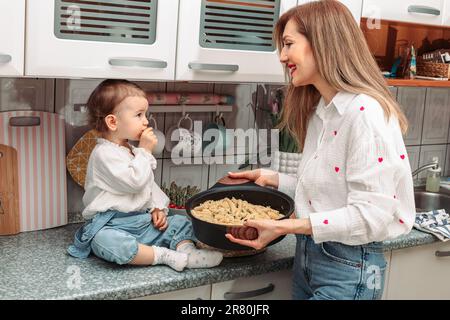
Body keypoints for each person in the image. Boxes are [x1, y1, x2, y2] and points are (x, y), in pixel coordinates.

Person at [226, 0, 415, 300]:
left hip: (351, 266)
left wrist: (287, 226)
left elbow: (372, 215)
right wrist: (270, 178)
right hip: (311, 258)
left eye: (288, 44)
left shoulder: (365, 113)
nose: (282, 56)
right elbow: (326, 194)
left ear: (322, 43)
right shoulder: (323, 111)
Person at [67, 79, 223, 271]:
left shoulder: (130, 150)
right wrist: (146, 150)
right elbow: (135, 183)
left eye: (145, 114)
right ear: (113, 122)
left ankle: (187, 252)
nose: (146, 121)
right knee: (107, 242)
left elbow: (149, 185)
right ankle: (164, 256)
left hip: (142, 221)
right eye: (139, 115)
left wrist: (156, 208)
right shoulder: (103, 155)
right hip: (113, 224)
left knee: (180, 222)